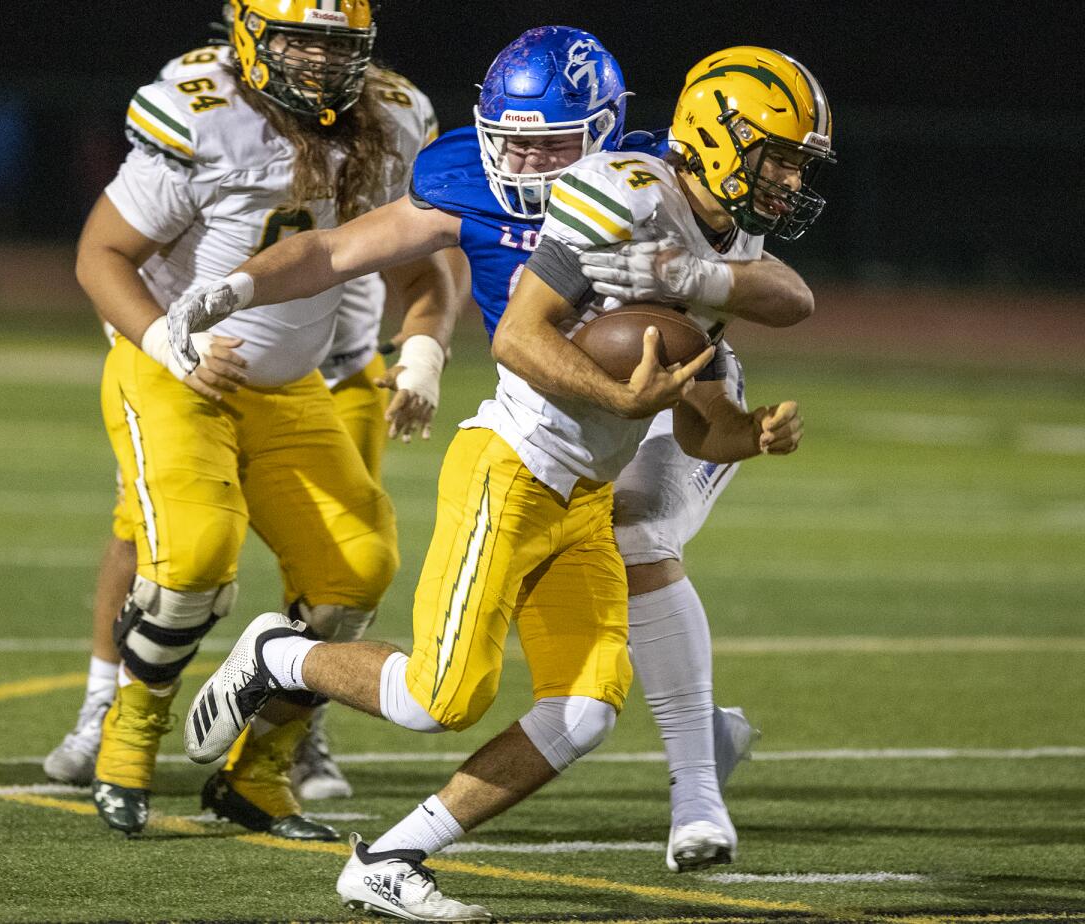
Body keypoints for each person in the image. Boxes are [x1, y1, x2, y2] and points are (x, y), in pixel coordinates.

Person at [175, 33, 825, 919]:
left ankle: (397, 855)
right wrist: (232, 291)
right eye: (510, 139)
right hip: (522, 458)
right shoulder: (524, 189)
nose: (522, 162)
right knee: (436, 701)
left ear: (605, 132)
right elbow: (399, 281)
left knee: (590, 705)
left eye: (550, 144)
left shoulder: (667, 191)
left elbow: (784, 295)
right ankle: (279, 653)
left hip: (600, 463)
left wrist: (741, 415)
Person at [73, 0, 453, 838]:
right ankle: (125, 741)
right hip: (174, 374)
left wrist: (422, 351)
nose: (320, 64)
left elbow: (425, 267)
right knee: (195, 556)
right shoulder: (203, 114)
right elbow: (100, 253)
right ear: (248, 35)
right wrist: (169, 344)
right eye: (300, 42)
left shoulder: (392, 118)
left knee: (358, 567)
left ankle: (259, 773)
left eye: (338, 46)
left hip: (294, 386)